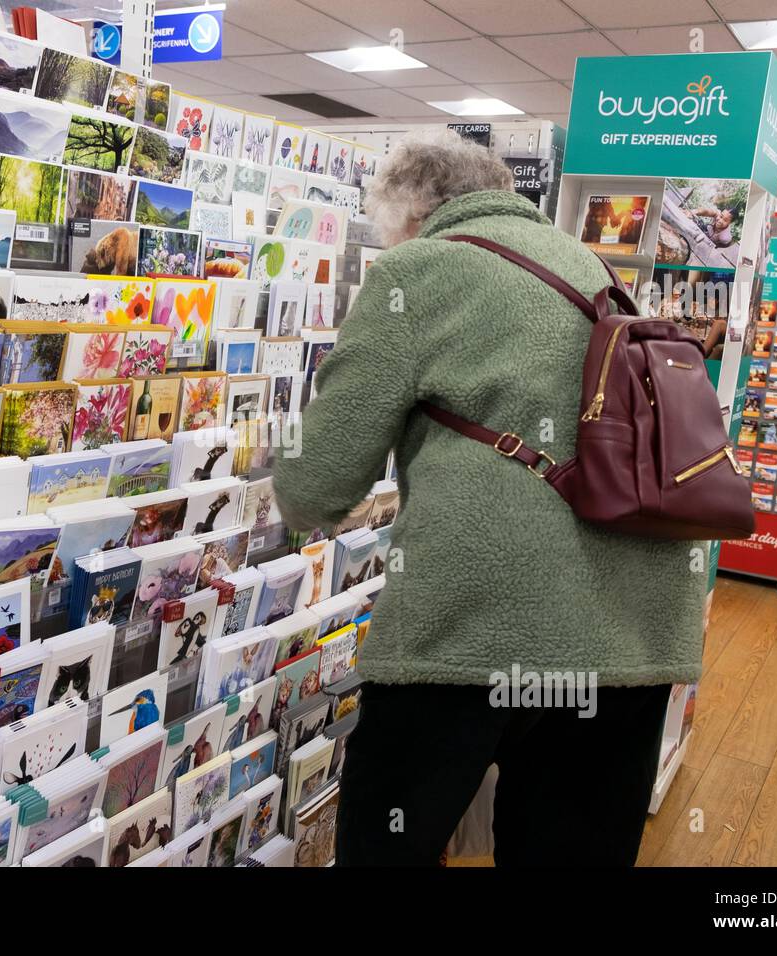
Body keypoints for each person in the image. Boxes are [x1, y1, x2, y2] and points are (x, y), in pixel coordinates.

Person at [272, 128, 706, 867]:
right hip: (635, 632)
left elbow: (317, 482)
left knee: (388, 844)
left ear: (414, 211)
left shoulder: (421, 269)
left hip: (472, 630)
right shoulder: (591, 264)